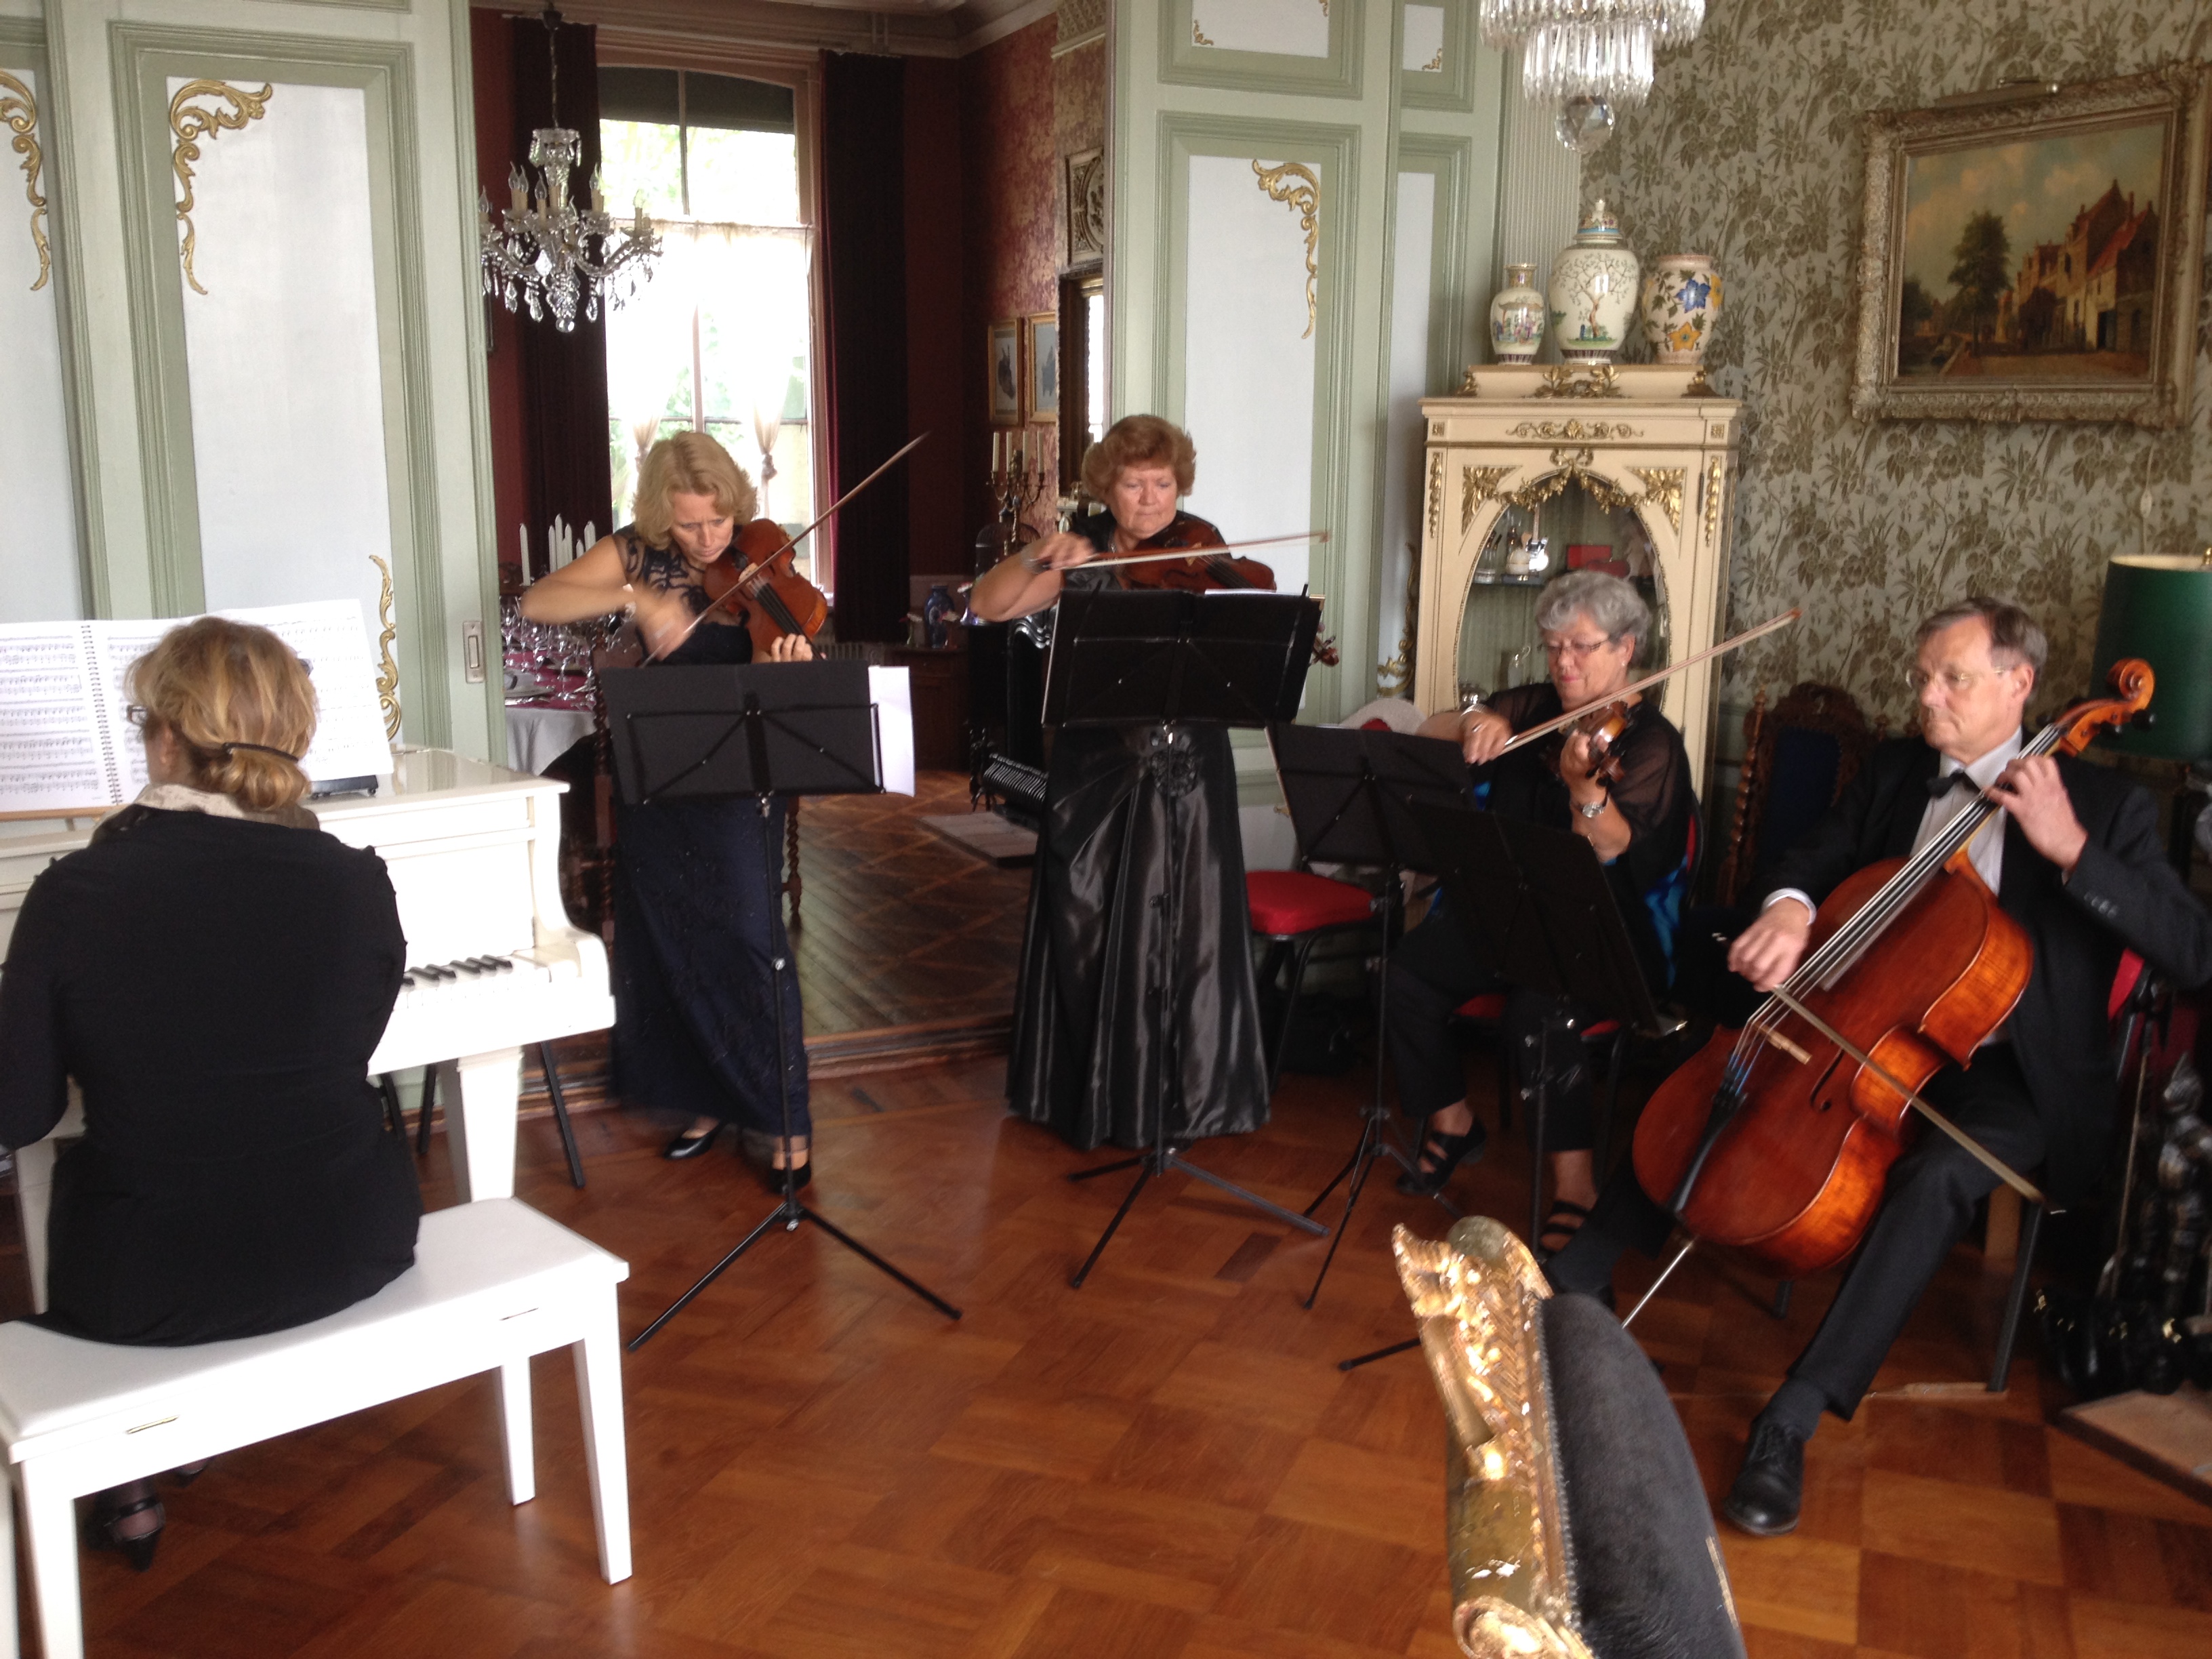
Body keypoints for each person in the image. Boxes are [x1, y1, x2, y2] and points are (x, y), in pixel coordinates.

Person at [1547, 595, 2212, 1536]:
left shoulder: (2106, 806)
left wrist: (2070, 850)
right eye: (1922, 676)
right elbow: (1810, 856)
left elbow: (2192, 951)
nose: (1927, 697)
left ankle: (1793, 1416)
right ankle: (1581, 1274)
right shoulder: (1900, 771)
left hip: (2014, 1070)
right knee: (1728, 1065)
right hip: (1864, 1024)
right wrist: (1788, 906)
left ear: (2019, 683)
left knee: (1937, 1178)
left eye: (1952, 680)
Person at [0, 618, 422, 1569]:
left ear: (165, 739)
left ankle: (133, 1488)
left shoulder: (78, 890)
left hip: (152, 1284)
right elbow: (342, 1046)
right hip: (353, 1243)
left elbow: (21, 1113)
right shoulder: (357, 881)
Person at [970, 414, 1272, 1151]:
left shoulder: (1202, 548)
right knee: (1090, 922)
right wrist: (1040, 555)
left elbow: (1248, 631)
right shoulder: (1081, 550)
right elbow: (986, 605)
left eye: (1163, 484)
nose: (1150, 499)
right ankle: (1096, 1094)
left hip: (1189, 769)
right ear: (1108, 487)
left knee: (1191, 937)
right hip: (1097, 769)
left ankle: (1187, 1099)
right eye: (1135, 485)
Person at [521, 430, 817, 1179]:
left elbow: (774, 672)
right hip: (658, 778)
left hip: (741, 782)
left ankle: (782, 1114)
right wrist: (636, 596)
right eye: (690, 525)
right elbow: (538, 600)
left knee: (751, 940)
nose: (710, 538)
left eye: (719, 519)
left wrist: (784, 663)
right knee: (672, 941)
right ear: (661, 514)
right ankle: (704, 1098)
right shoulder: (634, 554)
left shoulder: (760, 557)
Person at [1389, 571, 1696, 1253]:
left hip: (1609, 931)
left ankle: (1577, 1187)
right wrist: (1476, 721)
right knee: (1406, 974)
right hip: (1514, 916)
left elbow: (1611, 848)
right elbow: (1431, 728)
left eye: (1581, 647)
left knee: (1539, 1011)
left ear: (1626, 648)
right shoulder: (1535, 705)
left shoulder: (1651, 745)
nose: (1564, 662)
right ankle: (1453, 1121)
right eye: (1554, 646)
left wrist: (1585, 788)